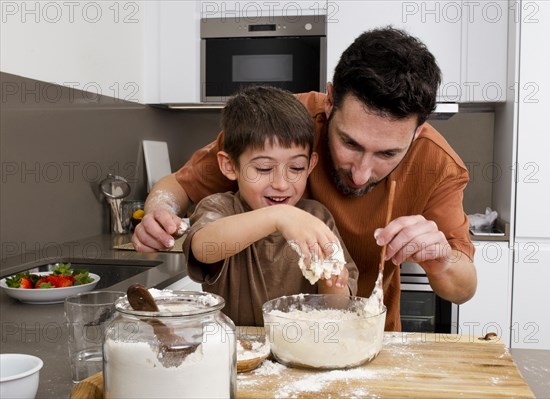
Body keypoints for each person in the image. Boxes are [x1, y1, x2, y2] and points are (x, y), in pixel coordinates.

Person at [132, 27, 477, 331]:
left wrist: (441, 260)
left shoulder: (439, 165)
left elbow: (463, 289)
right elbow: (176, 189)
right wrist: (156, 212)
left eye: (387, 154)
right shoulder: (282, 128)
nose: (360, 174)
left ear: (417, 134)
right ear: (329, 103)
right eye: (350, 143)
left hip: (364, 334)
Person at [182, 86, 358, 326]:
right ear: (229, 166)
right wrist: (279, 216)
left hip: (302, 352)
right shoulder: (220, 208)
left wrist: (332, 279)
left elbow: (337, 309)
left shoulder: (317, 218)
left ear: (310, 165)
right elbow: (203, 248)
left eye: (296, 168)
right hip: (237, 353)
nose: (281, 184)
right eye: (264, 168)